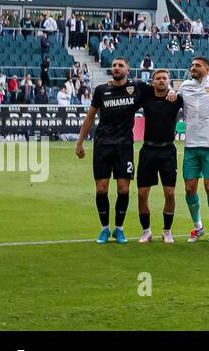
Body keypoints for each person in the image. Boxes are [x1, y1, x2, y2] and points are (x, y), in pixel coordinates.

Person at [74, 57, 150, 244]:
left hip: (124, 146)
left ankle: (119, 229)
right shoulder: (102, 90)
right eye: (114, 65)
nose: (116, 68)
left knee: (123, 189)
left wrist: (172, 92)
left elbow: (160, 88)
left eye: (120, 65)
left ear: (128, 69)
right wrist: (80, 142)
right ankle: (104, 229)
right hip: (102, 145)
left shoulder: (137, 89)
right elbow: (90, 117)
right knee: (101, 189)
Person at [175, 56, 209, 244]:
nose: (193, 68)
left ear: (207, 68)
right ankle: (198, 227)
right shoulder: (184, 87)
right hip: (190, 145)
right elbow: (170, 96)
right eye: (191, 65)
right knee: (189, 188)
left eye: (197, 65)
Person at [136, 69, 182, 244]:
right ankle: (146, 231)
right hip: (148, 150)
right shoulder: (145, 96)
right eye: (158, 78)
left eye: (164, 78)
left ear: (169, 81)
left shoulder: (175, 99)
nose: (161, 81)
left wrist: (175, 91)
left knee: (169, 193)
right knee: (142, 194)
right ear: (153, 81)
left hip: (168, 151)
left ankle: (167, 231)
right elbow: (128, 85)